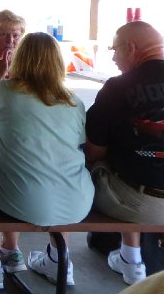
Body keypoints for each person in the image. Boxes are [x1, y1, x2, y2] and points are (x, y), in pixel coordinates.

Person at [0, 32, 94, 289]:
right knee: (43, 174)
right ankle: (57, 262)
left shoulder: (4, 90)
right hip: (78, 202)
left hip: (21, 201)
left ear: (20, 58)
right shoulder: (75, 101)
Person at [85, 21, 164, 286]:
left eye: (114, 50)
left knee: (95, 165)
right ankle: (130, 255)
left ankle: (130, 255)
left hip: (143, 204)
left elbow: (94, 152)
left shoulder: (118, 88)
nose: (113, 57)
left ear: (131, 48)